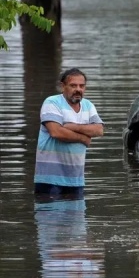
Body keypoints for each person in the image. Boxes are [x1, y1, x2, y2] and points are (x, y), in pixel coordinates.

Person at [34, 68, 104, 199]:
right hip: (49, 180)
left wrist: (72, 126)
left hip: (76, 179)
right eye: (73, 85)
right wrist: (83, 138)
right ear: (63, 86)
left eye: (81, 86)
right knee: (49, 218)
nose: (78, 89)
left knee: (76, 219)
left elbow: (99, 130)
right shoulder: (52, 102)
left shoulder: (88, 106)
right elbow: (56, 132)